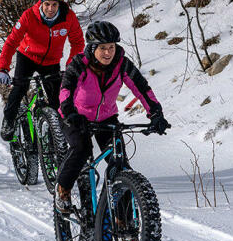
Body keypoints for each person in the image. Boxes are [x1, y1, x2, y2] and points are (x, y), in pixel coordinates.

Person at [56, 21, 170, 214]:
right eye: (102, 48)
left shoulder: (122, 64)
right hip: (75, 117)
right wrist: (70, 112)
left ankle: (123, 221)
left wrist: (156, 113)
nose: (108, 53)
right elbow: (66, 89)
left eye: (111, 47)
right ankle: (63, 190)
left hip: (107, 118)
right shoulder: (79, 64)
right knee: (82, 149)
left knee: (120, 165)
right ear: (92, 48)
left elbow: (142, 89)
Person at [0, 0, 85, 141]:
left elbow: (78, 43)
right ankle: (8, 121)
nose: (50, 9)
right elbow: (11, 42)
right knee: (19, 89)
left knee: (58, 99)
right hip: (27, 57)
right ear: (41, 3)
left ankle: (58, 135)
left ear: (60, 3)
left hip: (51, 61)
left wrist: (71, 66)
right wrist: (3, 68)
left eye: (54, 4)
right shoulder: (29, 16)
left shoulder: (68, 17)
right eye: (47, 4)